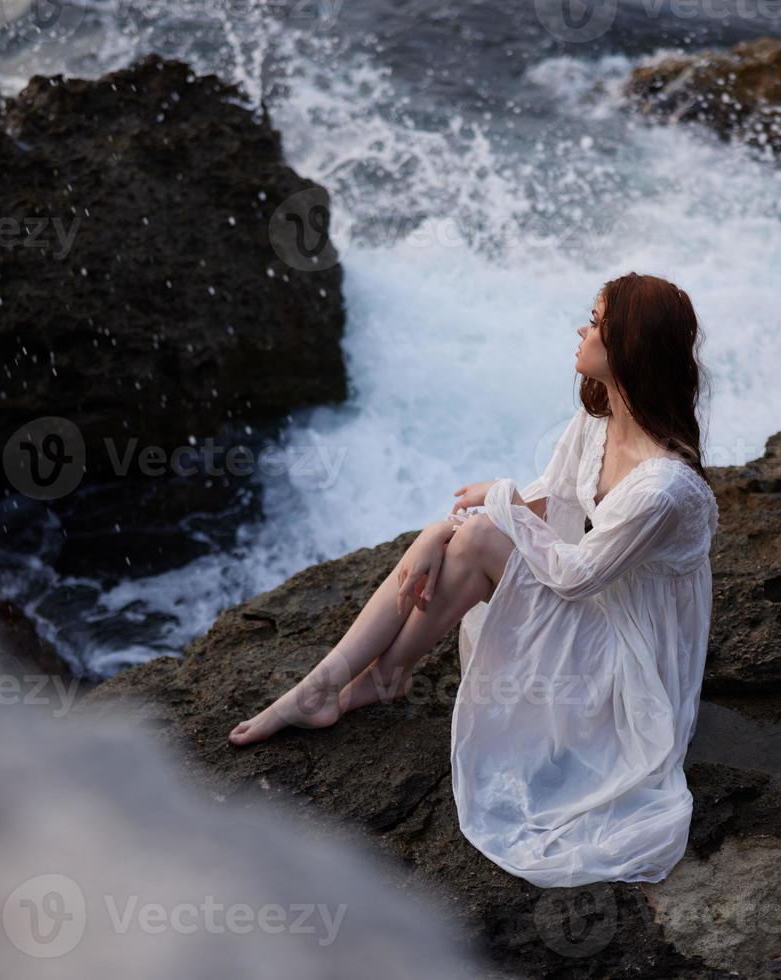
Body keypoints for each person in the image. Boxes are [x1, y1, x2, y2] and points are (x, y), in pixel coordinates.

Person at [228, 272, 719, 887]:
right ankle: (334, 682)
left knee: (481, 539)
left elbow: (572, 576)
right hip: (601, 611)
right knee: (462, 539)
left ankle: (370, 679)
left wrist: (498, 498)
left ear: (628, 346)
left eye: (594, 321)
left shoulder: (664, 486)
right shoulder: (598, 426)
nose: (580, 328)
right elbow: (548, 504)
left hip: (630, 666)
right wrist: (439, 531)